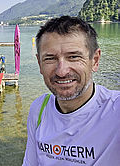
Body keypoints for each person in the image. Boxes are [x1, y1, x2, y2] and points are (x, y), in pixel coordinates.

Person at [23, 16, 120, 166]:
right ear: (39, 64)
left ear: (95, 60)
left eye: (73, 57)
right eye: (50, 58)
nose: (61, 71)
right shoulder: (39, 110)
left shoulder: (115, 111)